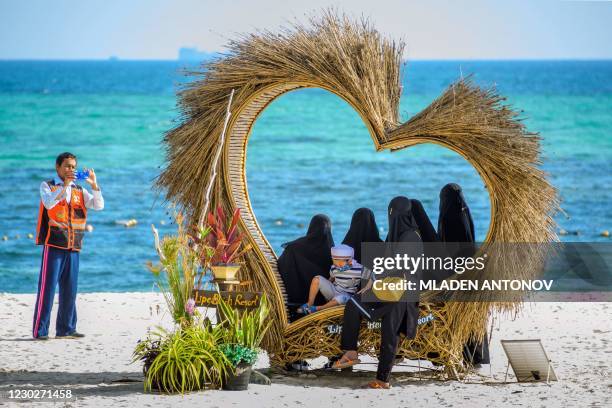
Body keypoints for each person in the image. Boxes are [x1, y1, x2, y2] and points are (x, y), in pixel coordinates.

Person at [332, 197, 423, 389]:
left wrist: (373, 281)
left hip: (402, 293)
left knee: (389, 332)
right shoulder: (399, 235)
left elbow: (401, 266)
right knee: (358, 306)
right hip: (392, 290)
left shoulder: (410, 237)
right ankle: (353, 354)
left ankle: (381, 378)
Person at [33, 152, 104, 340]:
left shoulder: (80, 190)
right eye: (66, 166)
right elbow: (49, 204)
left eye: (73, 166)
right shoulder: (47, 186)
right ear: (58, 168)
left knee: (70, 290)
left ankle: (66, 329)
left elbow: (98, 205)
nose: (70, 170)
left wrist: (94, 184)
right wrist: (64, 186)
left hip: (74, 245)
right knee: (47, 290)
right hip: (54, 244)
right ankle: (40, 332)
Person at [437, 183, 490, 366]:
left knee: (459, 313)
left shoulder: (448, 217)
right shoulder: (464, 212)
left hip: (456, 273)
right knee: (471, 312)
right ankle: (476, 358)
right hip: (471, 269)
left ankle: (466, 357)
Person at [277, 214, 334, 321]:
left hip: (293, 303)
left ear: (311, 227)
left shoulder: (293, 248)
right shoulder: (332, 253)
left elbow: (281, 267)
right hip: (322, 306)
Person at [298, 244, 365, 314]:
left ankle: (319, 308)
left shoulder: (359, 269)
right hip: (334, 291)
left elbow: (372, 276)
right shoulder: (334, 268)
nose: (338, 265)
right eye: (336, 261)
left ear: (350, 260)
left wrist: (365, 288)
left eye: (341, 262)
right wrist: (325, 287)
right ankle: (309, 304)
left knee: (341, 298)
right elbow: (331, 279)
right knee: (317, 279)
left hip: (347, 297)